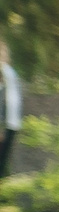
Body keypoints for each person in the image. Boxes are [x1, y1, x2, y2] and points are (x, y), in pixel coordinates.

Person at [0, 53, 20, 182]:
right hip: (8, 123)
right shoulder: (8, 71)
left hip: (10, 123)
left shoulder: (7, 71)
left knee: (3, 162)